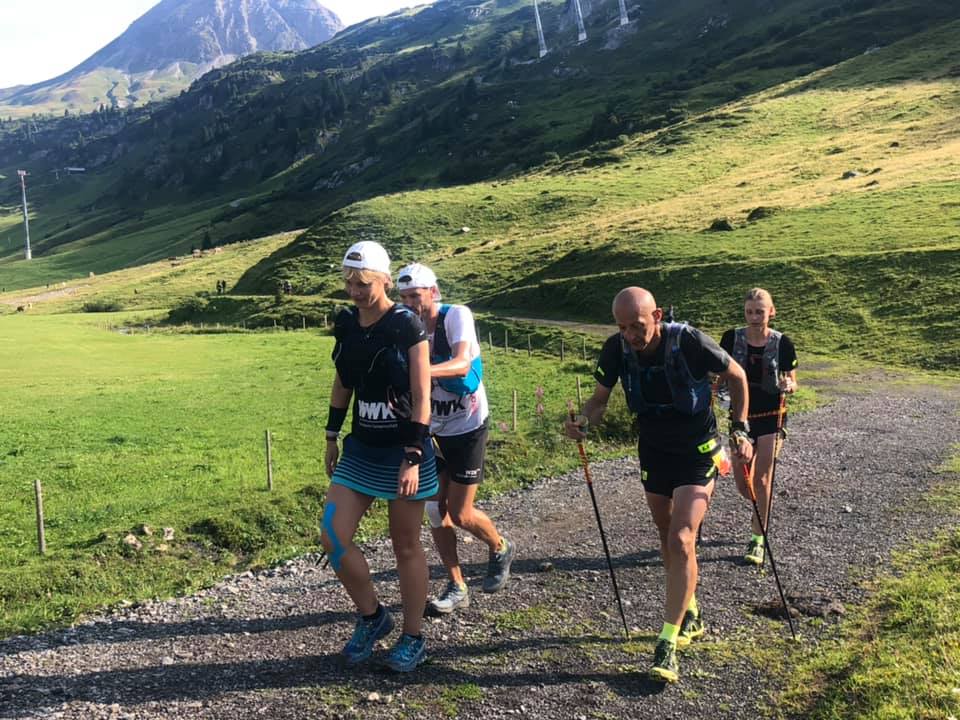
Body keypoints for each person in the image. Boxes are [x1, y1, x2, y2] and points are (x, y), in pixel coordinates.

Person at [563, 287, 753, 684]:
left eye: (637, 325)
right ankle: (690, 608)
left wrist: (741, 428)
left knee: (683, 537)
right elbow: (599, 400)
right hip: (652, 452)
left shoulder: (687, 340)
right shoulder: (617, 349)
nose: (631, 334)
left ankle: (667, 641)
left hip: (700, 451)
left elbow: (736, 374)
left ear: (657, 315)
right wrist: (583, 421)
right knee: (666, 535)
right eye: (622, 327)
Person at [320, 241, 438, 672]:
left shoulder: (406, 325)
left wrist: (412, 455)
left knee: (405, 544)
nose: (354, 289)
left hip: (405, 449)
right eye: (348, 281)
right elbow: (342, 382)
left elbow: (422, 394)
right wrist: (332, 434)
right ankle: (372, 617)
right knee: (332, 534)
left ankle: (413, 637)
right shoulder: (347, 322)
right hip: (362, 446)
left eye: (363, 282)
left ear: (385, 279)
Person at [396, 263, 516, 615]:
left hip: (467, 426)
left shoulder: (456, 316)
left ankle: (499, 546)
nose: (410, 304)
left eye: (415, 296)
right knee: (435, 509)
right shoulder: (405, 325)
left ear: (433, 293)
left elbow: (463, 364)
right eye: (403, 298)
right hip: (431, 430)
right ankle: (456, 584)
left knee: (461, 513)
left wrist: (416, 371)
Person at [719, 288, 798, 566]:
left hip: (772, 415)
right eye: (750, 311)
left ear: (771, 312)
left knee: (762, 478)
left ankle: (757, 539)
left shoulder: (782, 343)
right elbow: (719, 372)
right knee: (744, 482)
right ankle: (760, 510)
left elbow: (792, 379)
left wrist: (790, 384)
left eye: (760, 312)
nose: (754, 317)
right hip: (741, 417)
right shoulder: (731, 338)